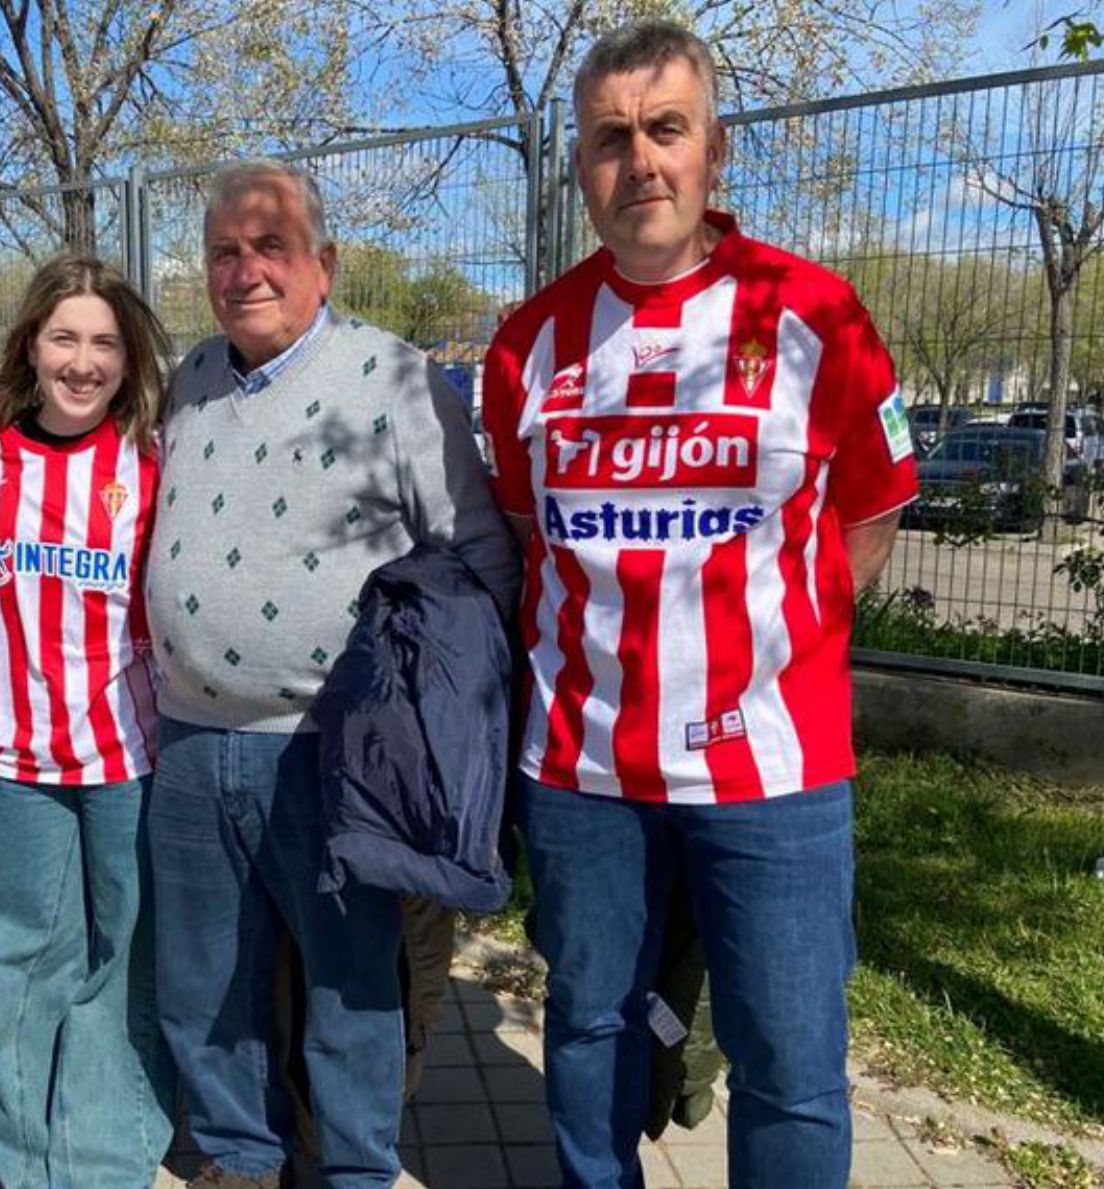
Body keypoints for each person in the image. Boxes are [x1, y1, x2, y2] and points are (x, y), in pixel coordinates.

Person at [481, 21, 918, 1189]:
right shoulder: (528, 347)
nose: (642, 162)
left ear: (713, 149)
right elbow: (530, 535)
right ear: (580, 166)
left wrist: (791, 635)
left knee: (788, 1059)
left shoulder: (815, 314)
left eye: (665, 129)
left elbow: (871, 509)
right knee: (588, 1030)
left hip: (774, 773)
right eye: (611, 138)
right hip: (581, 774)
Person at [144, 159, 518, 1189]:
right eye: (225, 250)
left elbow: (476, 554)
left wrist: (460, 736)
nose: (245, 270)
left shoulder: (393, 379)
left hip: (332, 749)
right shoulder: (186, 381)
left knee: (352, 984)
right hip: (187, 739)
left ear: (324, 262)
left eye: (270, 246)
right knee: (203, 976)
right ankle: (235, 1154)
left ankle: (357, 1167)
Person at [0, 255, 175, 1189]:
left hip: (130, 752)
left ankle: (106, 1156)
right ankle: (27, 1162)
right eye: (64, 337)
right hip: (25, 756)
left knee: (123, 959)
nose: (83, 361)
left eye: (104, 342)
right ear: (31, 345)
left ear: (129, 356)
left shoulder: (152, 458)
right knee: (27, 959)